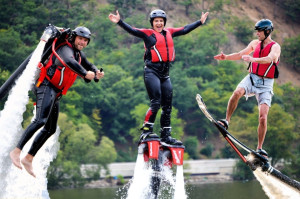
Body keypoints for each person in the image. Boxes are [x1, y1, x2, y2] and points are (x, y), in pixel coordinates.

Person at [10, 26, 105, 177]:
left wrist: (96, 72)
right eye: (80, 39)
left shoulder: (79, 54)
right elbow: (68, 62)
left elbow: (89, 65)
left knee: (50, 129)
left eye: (85, 40)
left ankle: (28, 158)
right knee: (40, 120)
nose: (82, 42)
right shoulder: (65, 49)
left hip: (55, 92)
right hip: (46, 86)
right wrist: (85, 73)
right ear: (74, 38)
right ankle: (16, 151)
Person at [109, 9, 209, 145]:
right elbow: (133, 30)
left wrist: (200, 22)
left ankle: (165, 135)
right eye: (156, 21)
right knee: (156, 102)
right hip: (151, 72)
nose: (159, 23)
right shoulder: (148, 34)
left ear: (164, 22)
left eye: (161, 21)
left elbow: (185, 29)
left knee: (167, 106)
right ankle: (146, 131)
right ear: (152, 23)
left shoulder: (170, 33)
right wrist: (120, 22)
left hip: (165, 74)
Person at [214, 19, 281, 158]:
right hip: (252, 77)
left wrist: (253, 60)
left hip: (266, 83)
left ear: (267, 31)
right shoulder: (254, 43)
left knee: (263, 117)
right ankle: (226, 121)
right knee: (237, 92)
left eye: (259, 31)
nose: (257, 33)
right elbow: (239, 54)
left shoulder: (275, 47)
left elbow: (269, 59)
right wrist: (225, 57)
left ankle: (259, 149)